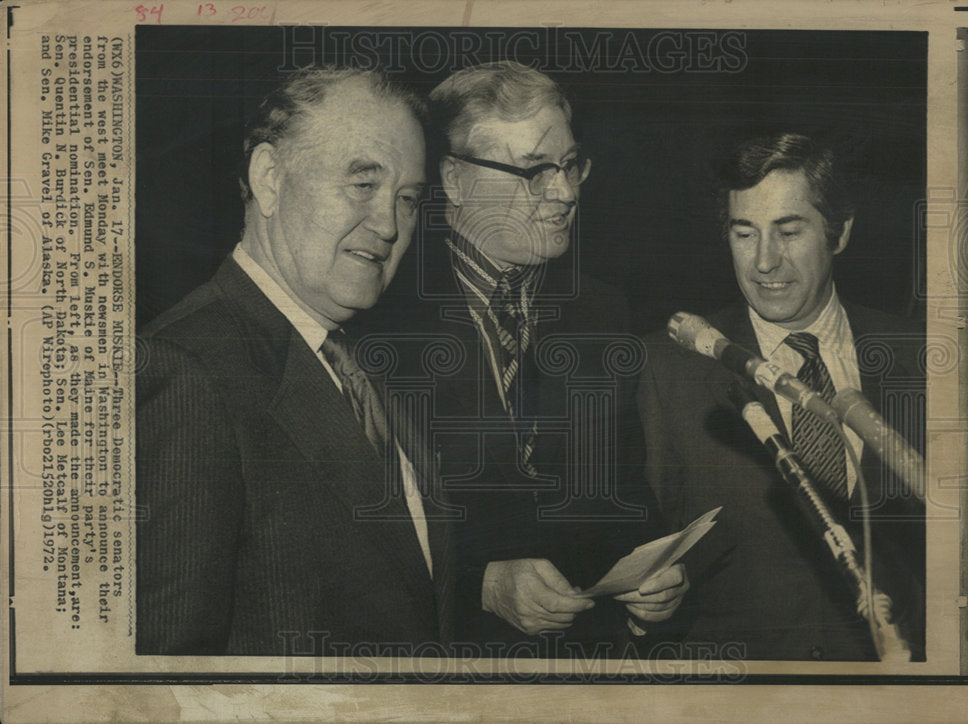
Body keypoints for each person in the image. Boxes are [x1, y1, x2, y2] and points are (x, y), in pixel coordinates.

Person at [135, 67, 453, 656]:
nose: (388, 225)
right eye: (362, 184)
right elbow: (164, 675)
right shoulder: (184, 370)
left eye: (407, 199)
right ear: (270, 179)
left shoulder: (362, 367)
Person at [378, 62, 688, 656]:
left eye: (571, 166)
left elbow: (620, 491)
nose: (566, 193)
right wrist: (482, 585)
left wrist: (654, 576)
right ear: (455, 180)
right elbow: (346, 534)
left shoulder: (601, 311)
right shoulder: (380, 314)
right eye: (534, 170)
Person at [638, 133, 925, 661]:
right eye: (744, 233)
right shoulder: (671, 368)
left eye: (788, 231)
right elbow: (640, 551)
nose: (764, 262)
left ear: (839, 235)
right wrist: (641, 604)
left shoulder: (924, 355)